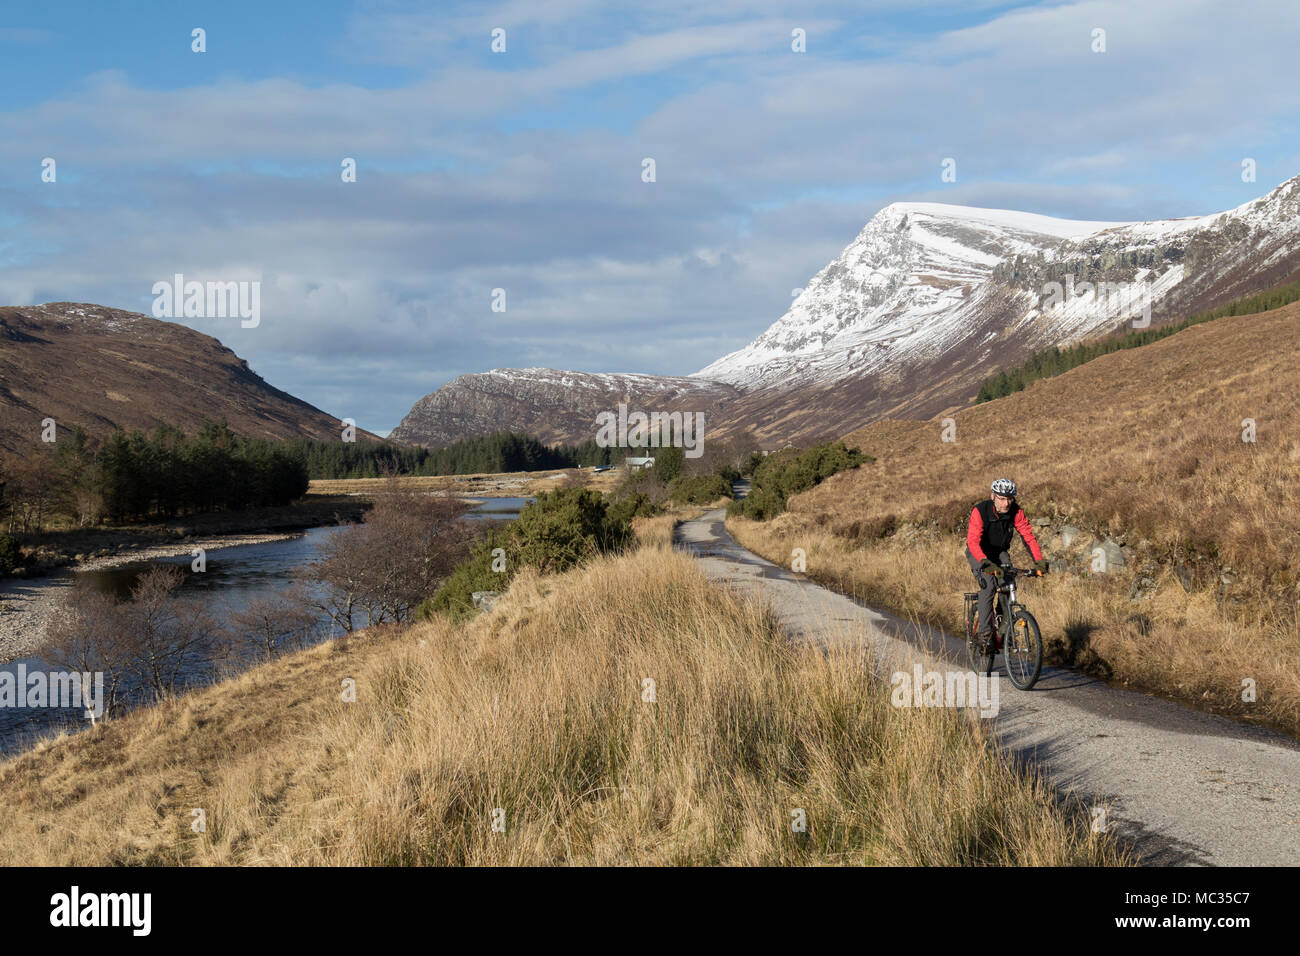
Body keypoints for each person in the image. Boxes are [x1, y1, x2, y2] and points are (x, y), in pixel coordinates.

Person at [966, 478, 1049, 649]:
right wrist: (985, 562)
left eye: (1010, 498)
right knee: (988, 586)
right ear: (993, 496)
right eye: (1002, 498)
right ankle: (985, 636)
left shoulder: (1016, 512)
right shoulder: (980, 511)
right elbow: (973, 542)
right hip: (978, 552)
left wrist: (1039, 561)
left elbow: (1028, 537)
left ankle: (1004, 632)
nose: (1006, 503)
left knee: (1008, 585)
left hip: (999, 553)